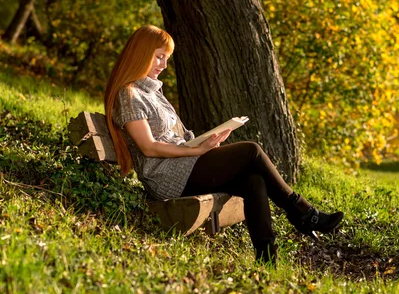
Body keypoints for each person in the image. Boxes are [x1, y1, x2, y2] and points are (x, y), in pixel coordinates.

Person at [104, 25, 343, 265]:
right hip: (166, 177)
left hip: (184, 165)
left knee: (253, 181)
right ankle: (304, 213)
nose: (164, 65)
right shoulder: (130, 94)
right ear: (140, 53)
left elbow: (173, 137)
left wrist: (205, 143)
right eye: (159, 56)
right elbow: (149, 147)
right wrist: (197, 150)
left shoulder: (153, 93)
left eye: (166, 58)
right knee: (251, 151)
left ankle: (267, 258)